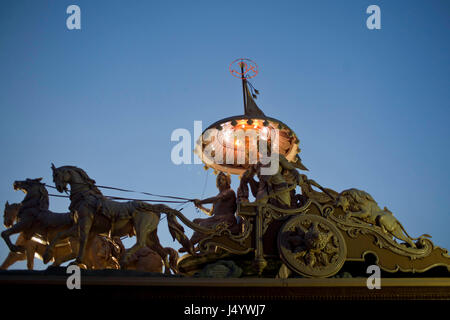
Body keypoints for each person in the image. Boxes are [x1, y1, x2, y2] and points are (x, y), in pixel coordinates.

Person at [186, 172, 238, 251]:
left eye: (223, 179)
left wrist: (201, 201)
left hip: (225, 219)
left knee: (202, 224)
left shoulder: (229, 192)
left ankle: (190, 244)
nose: (220, 181)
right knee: (195, 221)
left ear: (227, 182)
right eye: (219, 180)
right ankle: (201, 243)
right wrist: (201, 207)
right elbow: (211, 212)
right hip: (216, 218)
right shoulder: (218, 195)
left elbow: (217, 199)